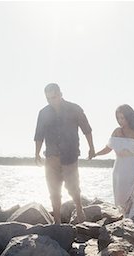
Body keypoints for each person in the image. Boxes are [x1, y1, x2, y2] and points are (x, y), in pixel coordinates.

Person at [34, 83, 95, 224]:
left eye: (53, 97)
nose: (51, 101)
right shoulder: (43, 113)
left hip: (70, 155)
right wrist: (37, 154)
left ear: (61, 94)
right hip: (51, 156)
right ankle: (57, 221)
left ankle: (79, 209)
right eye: (48, 98)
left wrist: (91, 148)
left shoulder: (74, 109)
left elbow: (87, 129)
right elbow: (39, 135)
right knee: (53, 189)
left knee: (73, 187)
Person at [94, 104, 134, 218]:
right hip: (119, 169)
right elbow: (108, 148)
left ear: (129, 118)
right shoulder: (117, 132)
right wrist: (96, 153)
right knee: (119, 198)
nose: (120, 121)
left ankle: (130, 221)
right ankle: (123, 219)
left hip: (133, 168)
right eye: (118, 118)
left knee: (131, 198)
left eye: (122, 118)